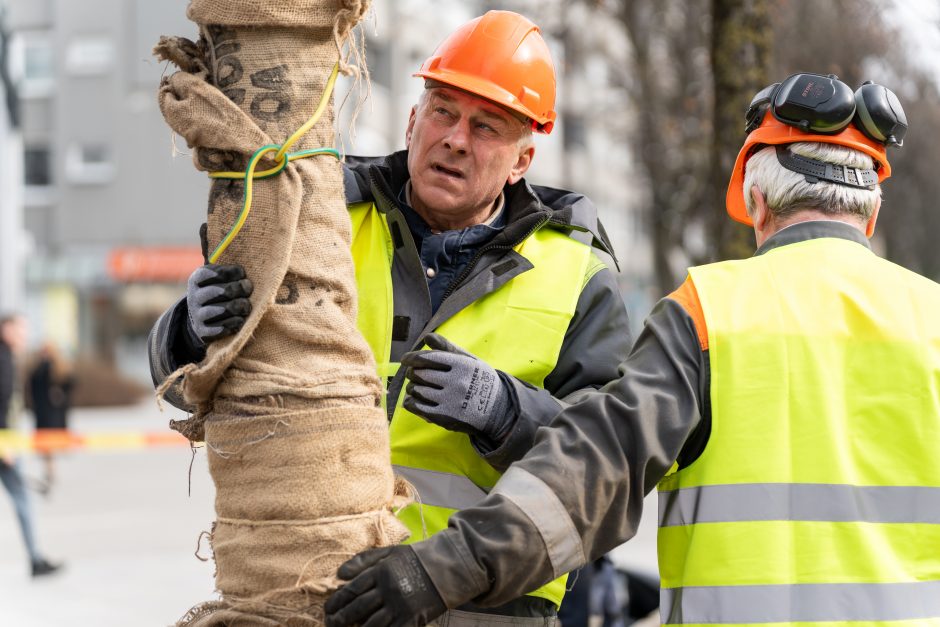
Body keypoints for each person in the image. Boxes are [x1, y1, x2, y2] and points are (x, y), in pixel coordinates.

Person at [325, 73, 940, 627]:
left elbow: (592, 477)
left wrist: (440, 570)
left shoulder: (712, 311)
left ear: (755, 199)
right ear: (872, 210)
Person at [149, 10, 631, 625]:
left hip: (489, 606)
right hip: (323, 587)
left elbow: (611, 466)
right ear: (412, 119)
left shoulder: (579, 273)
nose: (456, 138)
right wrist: (191, 332)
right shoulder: (321, 217)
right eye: (443, 111)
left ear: (521, 160)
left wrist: (506, 412)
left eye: (487, 127)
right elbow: (189, 384)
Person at [0, 314, 62, 577]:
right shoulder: (2, 359)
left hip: (9, 441)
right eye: (20, 330)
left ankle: (36, 559)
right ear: (6, 329)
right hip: (5, 444)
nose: (24, 336)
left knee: (22, 499)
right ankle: (36, 560)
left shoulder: (9, 358)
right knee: (22, 500)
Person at [27, 342, 75, 491]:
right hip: (42, 412)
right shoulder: (37, 369)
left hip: (53, 413)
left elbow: (70, 385)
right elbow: (32, 388)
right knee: (45, 445)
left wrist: (60, 395)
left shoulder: (58, 368)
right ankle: (50, 470)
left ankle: (51, 471)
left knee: (50, 443)